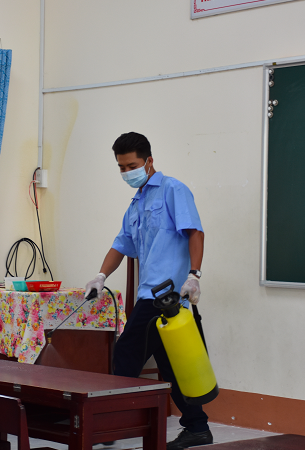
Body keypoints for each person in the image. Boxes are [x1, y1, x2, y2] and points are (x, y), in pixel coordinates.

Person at [85, 132, 211, 450]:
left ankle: (110, 425)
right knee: (172, 365)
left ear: (149, 161)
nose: (127, 172)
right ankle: (197, 427)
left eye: (132, 166)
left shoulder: (173, 190)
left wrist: (194, 275)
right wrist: (100, 275)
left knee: (126, 355)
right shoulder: (136, 204)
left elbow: (195, 232)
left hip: (165, 295)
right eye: (121, 167)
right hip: (149, 295)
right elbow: (121, 245)